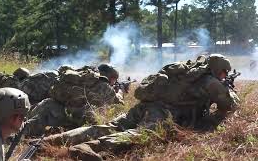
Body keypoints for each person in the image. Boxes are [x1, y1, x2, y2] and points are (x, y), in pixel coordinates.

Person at [40, 54, 240, 160]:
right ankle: (88, 148)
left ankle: (49, 141)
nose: (224, 76)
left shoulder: (187, 74)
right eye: (224, 72)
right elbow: (229, 105)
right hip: (162, 112)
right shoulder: (210, 82)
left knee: (111, 126)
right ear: (218, 69)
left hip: (144, 106)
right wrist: (230, 90)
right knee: (141, 134)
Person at [26, 64, 124, 136]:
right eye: (114, 79)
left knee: (47, 103)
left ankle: (23, 128)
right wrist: (120, 91)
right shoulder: (105, 86)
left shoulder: (81, 78)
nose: (114, 82)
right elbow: (119, 103)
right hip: (80, 122)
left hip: (58, 113)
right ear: (109, 76)